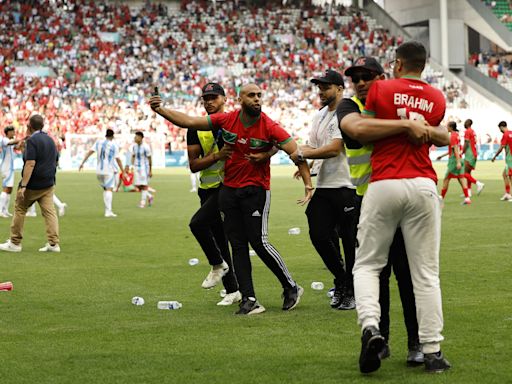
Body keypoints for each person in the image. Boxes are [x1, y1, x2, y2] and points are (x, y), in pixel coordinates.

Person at [149, 83, 313, 315]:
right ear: (239, 99)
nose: (257, 99)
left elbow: (295, 152)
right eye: (251, 95)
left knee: (260, 242)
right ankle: (249, 299)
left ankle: (291, 287)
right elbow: (188, 121)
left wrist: (307, 183)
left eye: (259, 95)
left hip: (256, 190)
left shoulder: (269, 125)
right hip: (229, 191)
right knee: (237, 245)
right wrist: (160, 110)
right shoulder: (227, 120)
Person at [341, 41, 451, 373]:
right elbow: (442, 134)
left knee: (367, 266)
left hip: (385, 182)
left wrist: (401, 125)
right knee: (426, 273)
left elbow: (365, 132)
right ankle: (431, 350)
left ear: (397, 64)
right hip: (423, 183)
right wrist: (415, 127)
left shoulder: (382, 90)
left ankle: (371, 326)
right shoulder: (437, 97)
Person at [338, 56, 423, 366]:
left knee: (405, 275)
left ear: (382, 77)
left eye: (367, 76)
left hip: (399, 199)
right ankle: (379, 340)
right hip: (366, 202)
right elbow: (359, 132)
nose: (360, 82)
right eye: (355, 77)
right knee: (378, 275)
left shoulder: (392, 106)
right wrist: (403, 126)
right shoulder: (349, 107)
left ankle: (415, 342)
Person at [289, 70, 357, 310]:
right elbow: (315, 147)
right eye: (319, 86)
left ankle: (351, 290)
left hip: (347, 186)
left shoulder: (345, 113)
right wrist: (307, 163)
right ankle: (342, 279)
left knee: (349, 241)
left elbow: (334, 149)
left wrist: (305, 153)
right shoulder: (319, 116)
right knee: (318, 234)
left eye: (326, 87)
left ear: (339, 88)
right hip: (326, 185)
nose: (320, 91)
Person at [187, 82, 241, 306]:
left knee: (199, 225)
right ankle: (234, 290)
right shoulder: (195, 127)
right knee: (220, 239)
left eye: (214, 97)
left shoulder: (235, 123)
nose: (209, 101)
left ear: (224, 99)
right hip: (207, 190)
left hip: (228, 188)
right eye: (205, 98)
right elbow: (193, 165)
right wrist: (217, 157)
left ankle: (220, 268)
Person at [0, 114, 60, 253]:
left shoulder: (33, 140)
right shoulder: (50, 140)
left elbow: (30, 163)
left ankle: (15, 243)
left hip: (33, 184)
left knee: (20, 209)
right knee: (50, 212)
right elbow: (56, 161)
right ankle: (53, 244)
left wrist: (24, 185)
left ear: (29, 126)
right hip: (48, 183)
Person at [79, 129, 123, 217]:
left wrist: (82, 163)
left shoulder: (98, 143)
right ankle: (108, 211)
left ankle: (108, 210)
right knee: (109, 189)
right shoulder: (114, 145)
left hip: (99, 170)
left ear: (105, 135)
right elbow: (118, 159)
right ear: (113, 136)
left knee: (105, 189)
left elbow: (89, 152)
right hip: (108, 170)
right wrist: (123, 170)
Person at [436, 122, 472, 205]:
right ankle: (467, 198)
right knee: (461, 178)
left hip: (454, 160)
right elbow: (453, 150)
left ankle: (441, 197)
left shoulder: (452, 136)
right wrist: (441, 156)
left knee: (446, 178)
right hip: (459, 158)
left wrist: (458, 162)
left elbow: (455, 149)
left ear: (451, 127)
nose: (446, 128)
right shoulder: (456, 135)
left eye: (447, 126)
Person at [0, 126, 23, 217]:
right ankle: (0, 210)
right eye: (12, 131)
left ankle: (5, 210)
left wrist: (21, 143)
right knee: (6, 188)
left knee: (9, 189)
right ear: (8, 132)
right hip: (6, 167)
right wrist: (21, 139)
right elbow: (11, 143)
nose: (14, 133)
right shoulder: (4, 140)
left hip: (10, 167)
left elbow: (17, 147)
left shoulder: (10, 140)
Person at [131, 131, 153, 208]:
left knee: (144, 185)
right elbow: (133, 156)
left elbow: (149, 158)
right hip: (137, 167)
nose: (135, 138)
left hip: (144, 168)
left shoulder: (146, 147)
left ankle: (142, 202)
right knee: (137, 185)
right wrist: (132, 165)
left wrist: (150, 170)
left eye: (136, 137)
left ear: (140, 138)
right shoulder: (134, 146)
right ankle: (149, 196)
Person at [462, 119, 485, 196]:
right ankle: (469, 192)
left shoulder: (467, 131)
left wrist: (462, 151)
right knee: (468, 173)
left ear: (467, 124)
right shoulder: (473, 131)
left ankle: (478, 183)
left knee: (464, 173)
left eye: (465, 122)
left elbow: (466, 143)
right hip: (474, 153)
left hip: (470, 154)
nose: (464, 124)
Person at [491, 120, 512, 201]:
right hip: (510, 158)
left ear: (501, 127)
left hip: (510, 159)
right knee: (504, 175)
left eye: (499, 129)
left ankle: (509, 195)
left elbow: (501, 147)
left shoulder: (505, 135)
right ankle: (507, 194)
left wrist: (495, 156)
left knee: (510, 177)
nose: (500, 130)